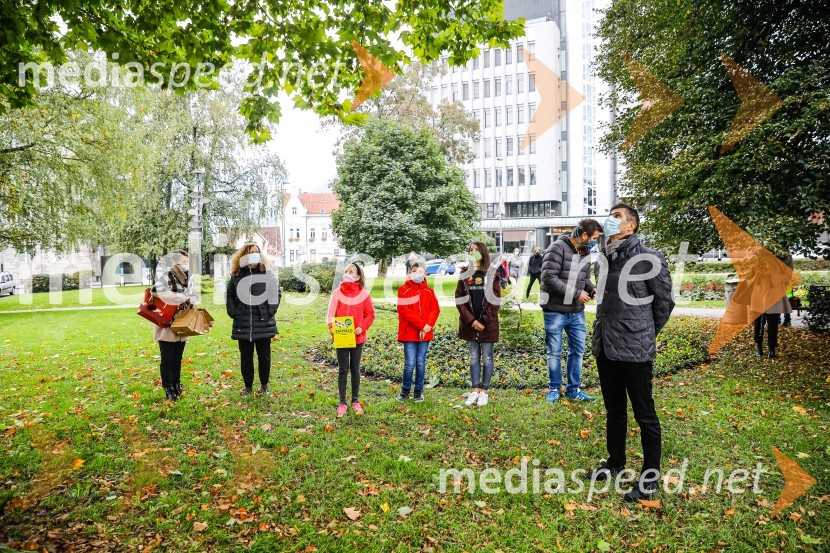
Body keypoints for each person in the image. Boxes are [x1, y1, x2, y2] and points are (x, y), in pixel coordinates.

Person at [586, 203, 675, 502]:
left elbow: (664, 304)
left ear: (631, 225)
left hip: (635, 349)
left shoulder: (648, 257)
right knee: (614, 410)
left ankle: (650, 479)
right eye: (608, 217)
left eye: (616, 218)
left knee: (644, 414)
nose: (610, 222)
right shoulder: (604, 259)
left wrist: (645, 333)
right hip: (606, 347)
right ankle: (615, 463)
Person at [540, 219, 603, 404]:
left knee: (578, 351)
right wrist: (576, 293)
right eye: (594, 238)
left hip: (576, 312)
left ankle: (573, 390)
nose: (595, 242)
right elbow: (548, 278)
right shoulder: (556, 248)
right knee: (554, 352)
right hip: (555, 311)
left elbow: (584, 277)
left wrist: (591, 288)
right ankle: (553, 388)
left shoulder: (585, 251)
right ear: (584, 235)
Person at [226, 243, 280, 396]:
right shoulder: (236, 275)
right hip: (243, 323)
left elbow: (275, 293)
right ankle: (248, 386)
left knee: (264, 357)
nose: (254, 255)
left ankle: (264, 385)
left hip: (263, 322)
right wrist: (233, 312)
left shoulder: (267, 274)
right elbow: (229, 295)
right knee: (246, 358)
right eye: (251, 252)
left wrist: (270, 311)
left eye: (257, 252)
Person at [455, 241, 501, 407]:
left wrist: (482, 321)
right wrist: (472, 321)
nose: (472, 252)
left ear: (483, 253)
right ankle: (475, 390)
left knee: (487, 358)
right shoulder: (464, 274)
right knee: (474, 357)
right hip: (470, 324)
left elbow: (495, 301)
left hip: (487, 325)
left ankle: (484, 391)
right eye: (470, 250)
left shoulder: (492, 273)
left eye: (476, 250)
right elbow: (460, 300)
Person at [327, 263, 375, 417]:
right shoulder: (336, 293)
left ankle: (355, 400)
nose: (347, 273)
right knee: (342, 369)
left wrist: (362, 327)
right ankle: (342, 402)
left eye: (351, 271)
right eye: (346, 271)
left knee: (355, 369)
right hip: (341, 337)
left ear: (358, 276)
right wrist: (331, 327)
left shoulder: (364, 294)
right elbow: (330, 314)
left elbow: (370, 315)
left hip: (357, 338)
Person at [151, 250, 196, 402]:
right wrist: (181, 297)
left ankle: (176, 384)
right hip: (167, 323)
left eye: (187, 262)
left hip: (182, 323)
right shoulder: (167, 275)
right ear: (175, 263)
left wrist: (191, 299)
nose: (186, 265)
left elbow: (190, 296)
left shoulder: (186, 278)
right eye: (184, 262)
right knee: (167, 358)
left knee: (177, 357)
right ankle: (168, 387)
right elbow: (155, 292)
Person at [396, 262, 440, 402]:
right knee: (409, 363)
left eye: (421, 271)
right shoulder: (403, 290)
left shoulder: (429, 291)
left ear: (425, 274)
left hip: (425, 333)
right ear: (410, 273)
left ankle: (418, 391)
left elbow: (435, 309)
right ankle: (405, 390)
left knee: (420, 362)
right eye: (415, 271)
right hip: (410, 332)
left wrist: (427, 326)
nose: (418, 274)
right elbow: (404, 310)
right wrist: (421, 325)